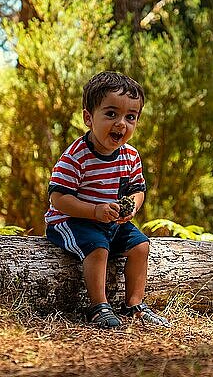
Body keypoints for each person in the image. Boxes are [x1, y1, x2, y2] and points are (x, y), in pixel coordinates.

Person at [44, 71, 171, 329]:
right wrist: (93, 211)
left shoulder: (131, 156)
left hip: (110, 220)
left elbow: (138, 190)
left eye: (130, 117)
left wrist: (132, 207)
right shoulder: (75, 157)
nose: (121, 123)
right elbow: (59, 199)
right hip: (72, 220)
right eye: (111, 114)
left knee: (141, 246)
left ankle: (134, 304)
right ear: (88, 118)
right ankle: (98, 306)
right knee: (97, 247)